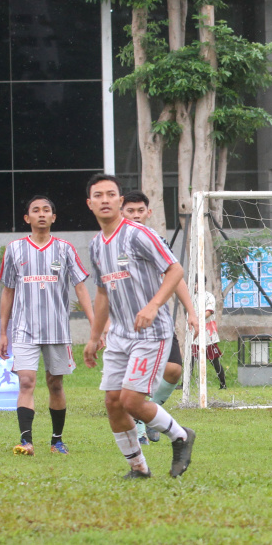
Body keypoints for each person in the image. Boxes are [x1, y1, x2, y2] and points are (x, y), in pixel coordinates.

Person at [82, 174, 196, 479]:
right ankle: (138, 468)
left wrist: (153, 304)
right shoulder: (95, 246)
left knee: (131, 401)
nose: (104, 200)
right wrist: (94, 337)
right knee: (112, 403)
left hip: (151, 332)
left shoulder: (138, 234)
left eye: (110, 194)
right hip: (119, 334)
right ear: (90, 203)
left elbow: (175, 269)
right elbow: (103, 293)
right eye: (98, 195)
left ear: (120, 201)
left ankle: (181, 436)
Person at [0, 196, 95, 456]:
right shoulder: (15, 249)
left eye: (47, 210)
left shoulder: (65, 249)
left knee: (55, 384)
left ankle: (57, 440)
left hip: (56, 330)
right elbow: (7, 291)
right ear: (27, 218)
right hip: (23, 329)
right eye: (35, 211)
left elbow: (80, 287)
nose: (41, 214)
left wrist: (94, 323)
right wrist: (2, 333)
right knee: (26, 382)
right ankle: (26, 441)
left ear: (53, 217)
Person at [120, 191, 200, 444]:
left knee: (174, 370)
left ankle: (148, 415)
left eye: (140, 211)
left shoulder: (156, 241)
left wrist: (191, 311)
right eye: (130, 211)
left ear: (148, 212)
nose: (135, 215)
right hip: (127, 323)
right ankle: (139, 432)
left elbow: (175, 276)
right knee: (135, 380)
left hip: (157, 320)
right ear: (122, 212)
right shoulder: (112, 242)